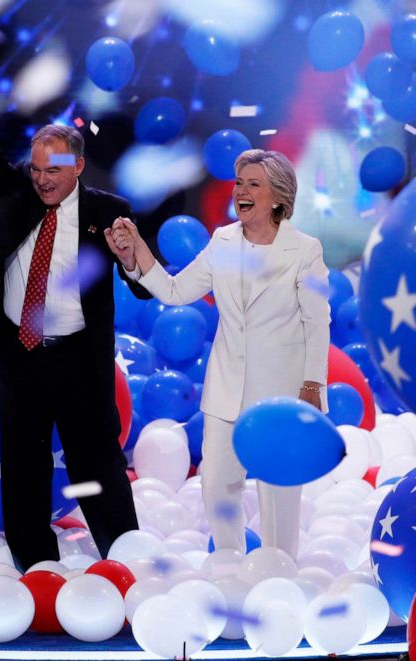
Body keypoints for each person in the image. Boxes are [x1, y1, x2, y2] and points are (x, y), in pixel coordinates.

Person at [0, 44, 149, 571]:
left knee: (96, 461)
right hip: (21, 355)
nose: (43, 179)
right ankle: (34, 567)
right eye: (36, 170)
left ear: (77, 165)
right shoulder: (17, 196)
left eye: (54, 170)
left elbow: (142, 285)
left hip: (79, 359)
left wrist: (133, 258)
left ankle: (125, 560)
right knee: (23, 465)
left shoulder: (108, 212)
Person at [105, 149, 330, 558]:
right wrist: (134, 254)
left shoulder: (305, 250)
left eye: (253, 184)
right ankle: (230, 566)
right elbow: (176, 292)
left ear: (278, 197)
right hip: (226, 389)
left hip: (281, 395)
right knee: (219, 485)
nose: (241, 191)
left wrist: (313, 384)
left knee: (279, 491)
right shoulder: (222, 240)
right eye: (239, 183)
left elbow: (317, 321)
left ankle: (280, 573)